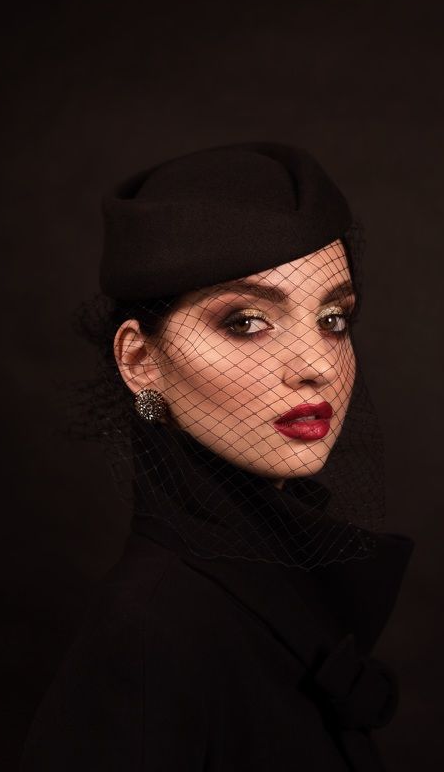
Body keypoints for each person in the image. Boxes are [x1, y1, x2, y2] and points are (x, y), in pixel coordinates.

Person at [21, 142, 414, 771]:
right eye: (247, 322)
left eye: (332, 319)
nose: (315, 365)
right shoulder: (152, 630)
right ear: (139, 361)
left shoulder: (273, 576)